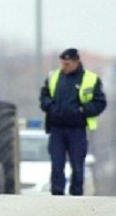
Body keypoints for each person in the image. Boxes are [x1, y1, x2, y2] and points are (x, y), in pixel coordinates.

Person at [39, 48, 106, 196]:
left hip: (77, 129)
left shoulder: (90, 79)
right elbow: (44, 97)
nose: (64, 67)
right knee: (57, 165)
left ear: (76, 62)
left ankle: (76, 195)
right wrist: (50, 107)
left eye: (67, 64)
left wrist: (83, 111)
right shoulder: (53, 77)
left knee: (77, 166)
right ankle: (57, 194)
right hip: (57, 129)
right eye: (63, 64)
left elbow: (100, 103)